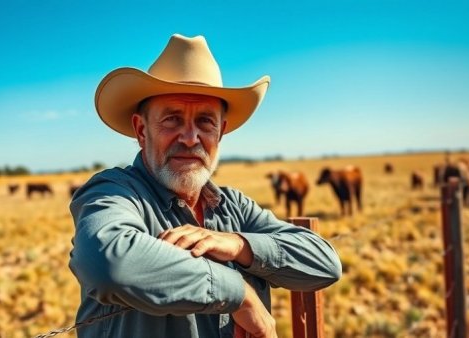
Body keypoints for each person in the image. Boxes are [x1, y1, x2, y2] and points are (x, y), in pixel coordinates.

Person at [69, 34, 341, 338]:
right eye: (172, 119)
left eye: (205, 122)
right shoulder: (115, 192)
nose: (189, 137)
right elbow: (108, 262)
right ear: (141, 129)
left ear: (221, 132)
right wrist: (240, 294)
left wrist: (238, 244)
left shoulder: (232, 207)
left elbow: (326, 263)